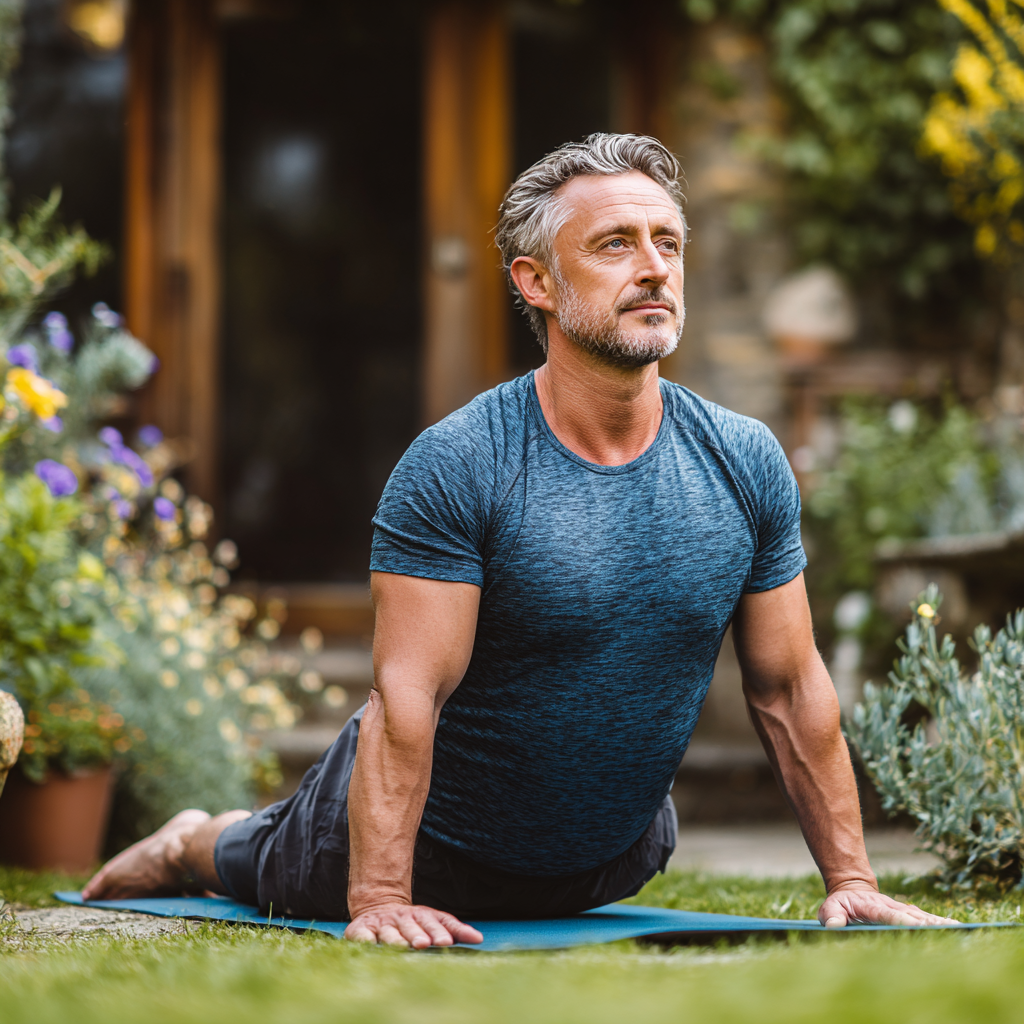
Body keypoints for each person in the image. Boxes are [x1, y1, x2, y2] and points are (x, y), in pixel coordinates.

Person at [83, 133, 952, 946]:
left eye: (669, 243)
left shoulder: (743, 459)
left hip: (614, 858)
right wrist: (381, 898)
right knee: (261, 860)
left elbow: (791, 687)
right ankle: (193, 840)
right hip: (416, 849)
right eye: (615, 244)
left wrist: (852, 876)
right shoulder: (461, 462)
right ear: (535, 282)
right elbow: (405, 698)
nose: (654, 269)